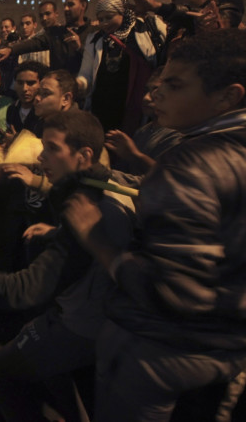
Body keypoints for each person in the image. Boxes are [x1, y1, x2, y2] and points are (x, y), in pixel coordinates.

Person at [65, 29, 246, 421]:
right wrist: (101, 177)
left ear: (228, 96)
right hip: (226, 350)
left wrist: (99, 241)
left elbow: (174, 290)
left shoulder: (191, 161)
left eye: (175, 85)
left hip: (157, 351)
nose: (156, 94)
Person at [0, 111, 135, 422]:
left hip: (81, 325)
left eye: (52, 148)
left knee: (1, 370)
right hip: (96, 318)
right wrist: (57, 233)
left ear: (84, 155)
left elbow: (23, 289)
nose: (40, 155)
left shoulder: (88, 211)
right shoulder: (109, 184)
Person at [76, 0, 166, 134]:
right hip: (103, 106)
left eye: (109, 17)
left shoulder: (145, 29)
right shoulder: (95, 39)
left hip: (135, 105)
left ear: (123, 13)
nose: (104, 23)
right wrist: (78, 84)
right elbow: (86, 74)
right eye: (101, 19)